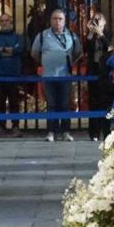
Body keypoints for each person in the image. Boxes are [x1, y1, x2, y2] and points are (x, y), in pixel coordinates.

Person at [30, 10, 81, 142]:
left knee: (65, 104)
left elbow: (78, 52)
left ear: (64, 21)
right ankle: (51, 131)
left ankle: (65, 131)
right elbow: (35, 53)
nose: (57, 21)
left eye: (60, 19)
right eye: (54, 19)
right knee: (51, 104)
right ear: (50, 20)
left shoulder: (71, 35)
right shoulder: (42, 35)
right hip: (49, 76)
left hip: (65, 75)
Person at [0, 15, 25, 135]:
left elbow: (19, 50)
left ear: (11, 22)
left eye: (6, 20)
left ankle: (15, 126)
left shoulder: (18, 37)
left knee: (14, 102)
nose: (4, 23)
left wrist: (2, 50)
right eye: (1, 21)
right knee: (0, 102)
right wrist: (10, 50)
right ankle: (1, 127)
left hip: (14, 74)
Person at [81, 13, 113, 141]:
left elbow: (109, 48)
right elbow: (86, 50)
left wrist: (100, 34)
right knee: (93, 102)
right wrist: (90, 34)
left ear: (104, 22)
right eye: (94, 20)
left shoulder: (108, 34)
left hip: (104, 71)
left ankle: (106, 132)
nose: (96, 23)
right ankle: (93, 133)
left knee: (105, 103)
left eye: (98, 20)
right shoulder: (91, 36)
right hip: (93, 70)